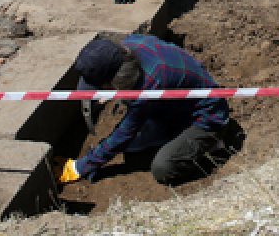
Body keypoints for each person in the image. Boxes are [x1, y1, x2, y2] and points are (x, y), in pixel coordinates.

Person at [58, 35, 239, 186]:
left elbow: (125, 132)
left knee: (163, 168)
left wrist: (82, 166)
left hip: (207, 117)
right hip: (175, 105)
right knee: (132, 145)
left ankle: (212, 143)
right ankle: (170, 132)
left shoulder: (148, 85)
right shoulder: (131, 44)